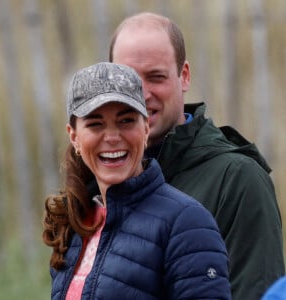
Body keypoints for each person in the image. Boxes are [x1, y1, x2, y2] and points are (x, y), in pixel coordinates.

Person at [109, 12, 285, 300]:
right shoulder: (100, 180)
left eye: (156, 77)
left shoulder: (237, 180)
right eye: (127, 79)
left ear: (184, 76)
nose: (141, 94)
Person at [42, 62, 231, 299]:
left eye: (126, 121)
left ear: (146, 128)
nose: (112, 137)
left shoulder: (187, 224)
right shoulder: (75, 224)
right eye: (95, 124)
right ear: (74, 136)